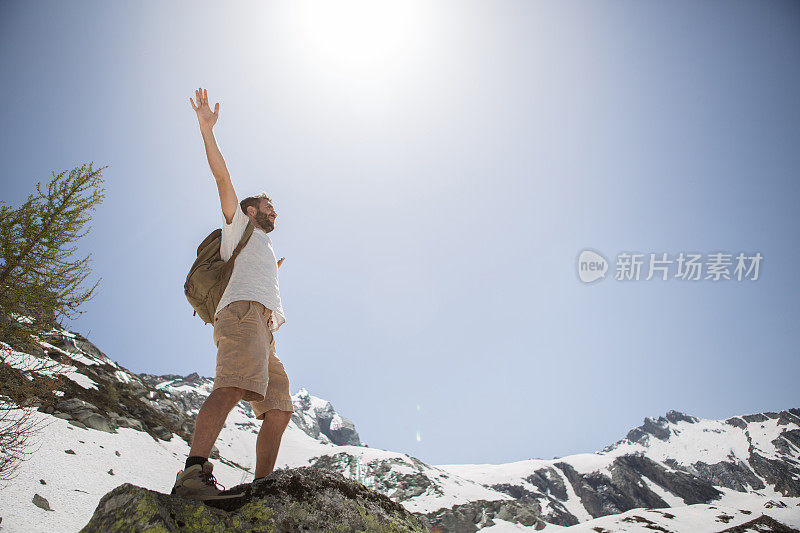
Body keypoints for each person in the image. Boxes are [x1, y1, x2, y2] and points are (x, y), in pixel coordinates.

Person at [171, 87, 294, 501]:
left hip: (263, 325)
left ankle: (260, 488)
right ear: (250, 210)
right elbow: (222, 177)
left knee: (279, 409)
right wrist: (207, 130)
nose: (274, 212)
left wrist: (268, 274)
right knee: (231, 386)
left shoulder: (261, 244)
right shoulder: (236, 227)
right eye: (268, 206)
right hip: (240, 313)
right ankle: (191, 475)